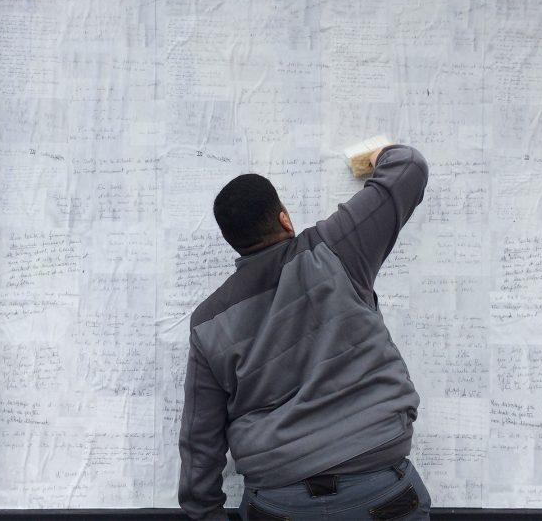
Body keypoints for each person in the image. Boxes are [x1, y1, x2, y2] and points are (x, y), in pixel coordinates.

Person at [179, 144, 431, 520]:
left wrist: (206, 512)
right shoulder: (336, 248)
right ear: (284, 220)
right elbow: (409, 166)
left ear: (234, 242)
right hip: (383, 494)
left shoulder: (208, 322)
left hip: (279, 506)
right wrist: (376, 157)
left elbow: (201, 442)